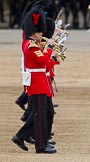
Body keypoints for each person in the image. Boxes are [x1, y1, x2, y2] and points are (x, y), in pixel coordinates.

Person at [11, 8, 57, 153]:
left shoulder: (33, 44)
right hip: (37, 83)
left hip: (40, 81)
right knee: (39, 115)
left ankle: (27, 138)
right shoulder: (30, 45)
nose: (42, 34)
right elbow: (45, 61)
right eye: (40, 31)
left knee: (39, 115)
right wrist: (50, 51)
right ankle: (38, 145)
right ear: (34, 32)